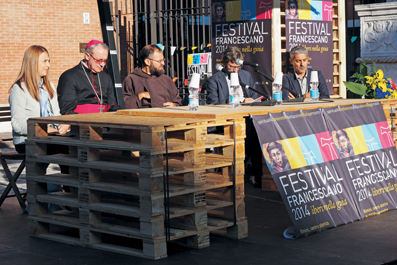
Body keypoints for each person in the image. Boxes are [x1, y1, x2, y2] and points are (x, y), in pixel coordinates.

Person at [203, 46, 261, 186]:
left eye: (238, 67)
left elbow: (253, 97)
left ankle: (256, 174)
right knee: (248, 133)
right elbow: (215, 106)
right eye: (232, 66)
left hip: (247, 119)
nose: (235, 70)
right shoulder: (214, 80)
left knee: (260, 131)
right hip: (227, 122)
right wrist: (240, 103)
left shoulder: (246, 76)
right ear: (223, 62)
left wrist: (251, 101)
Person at [9, 45, 69, 153]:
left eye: (49, 61)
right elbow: (17, 124)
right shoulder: (19, 88)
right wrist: (42, 129)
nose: (48, 65)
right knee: (66, 149)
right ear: (33, 62)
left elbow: (56, 115)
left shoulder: (49, 86)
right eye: (45, 61)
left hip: (52, 137)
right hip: (27, 141)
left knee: (77, 147)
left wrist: (63, 125)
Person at [57, 40, 120, 114]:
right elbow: (67, 109)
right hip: (81, 121)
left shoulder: (106, 77)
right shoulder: (69, 76)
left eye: (105, 61)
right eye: (99, 60)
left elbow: (112, 104)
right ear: (87, 56)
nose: (102, 65)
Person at [122, 44, 182, 109]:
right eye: (159, 61)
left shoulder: (166, 80)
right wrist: (140, 96)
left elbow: (178, 102)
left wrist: (174, 105)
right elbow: (124, 105)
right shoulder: (131, 80)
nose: (163, 63)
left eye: (163, 60)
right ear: (147, 62)